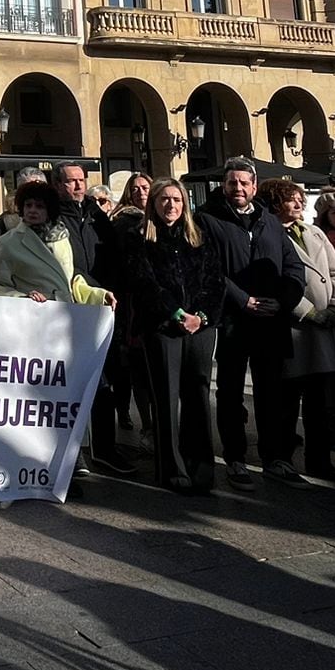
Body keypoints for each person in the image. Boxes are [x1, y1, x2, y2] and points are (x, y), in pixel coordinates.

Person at [198, 158, 305, 486]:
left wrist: (283, 300)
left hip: (271, 320)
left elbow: (292, 265)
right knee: (230, 392)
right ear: (224, 185)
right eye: (233, 183)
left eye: (245, 183)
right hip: (232, 319)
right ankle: (236, 458)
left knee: (272, 392)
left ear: (254, 186)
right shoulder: (206, 218)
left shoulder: (269, 221)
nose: (239, 188)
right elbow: (209, 267)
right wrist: (243, 300)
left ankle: (276, 457)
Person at [119, 178, 224, 494]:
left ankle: (202, 468)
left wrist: (201, 316)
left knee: (198, 395)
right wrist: (176, 314)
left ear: (185, 204)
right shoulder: (138, 239)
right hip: (163, 327)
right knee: (165, 396)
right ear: (153, 203)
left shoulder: (200, 237)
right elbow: (145, 284)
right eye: (164, 199)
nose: (171, 206)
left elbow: (215, 281)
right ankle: (172, 469)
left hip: (201, 328)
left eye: (177, 200)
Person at [257, 179, 335, 481]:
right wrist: (308, 312)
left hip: (326, 326)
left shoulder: (314, 231)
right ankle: (282, 457)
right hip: (295, 327)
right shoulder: (266, 234)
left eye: (301, 199)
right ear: (275, 204)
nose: (300, 204)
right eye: (291, 200)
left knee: (320, 402)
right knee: (287, 400)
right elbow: (272, 279)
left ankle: (319, 459)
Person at [52, 160, 132, 475]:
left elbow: (112, 255)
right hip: (71, 307)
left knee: (106, 380)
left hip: (103, 305)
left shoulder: (97, 215)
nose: (78, 186)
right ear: (58, 184)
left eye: (81, 180)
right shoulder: (54, 217)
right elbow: (63, 265)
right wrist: (92, 288)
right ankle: (75, 451)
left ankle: (105, 447)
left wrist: (111, 290)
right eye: (71, 181)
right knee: (74, 381)